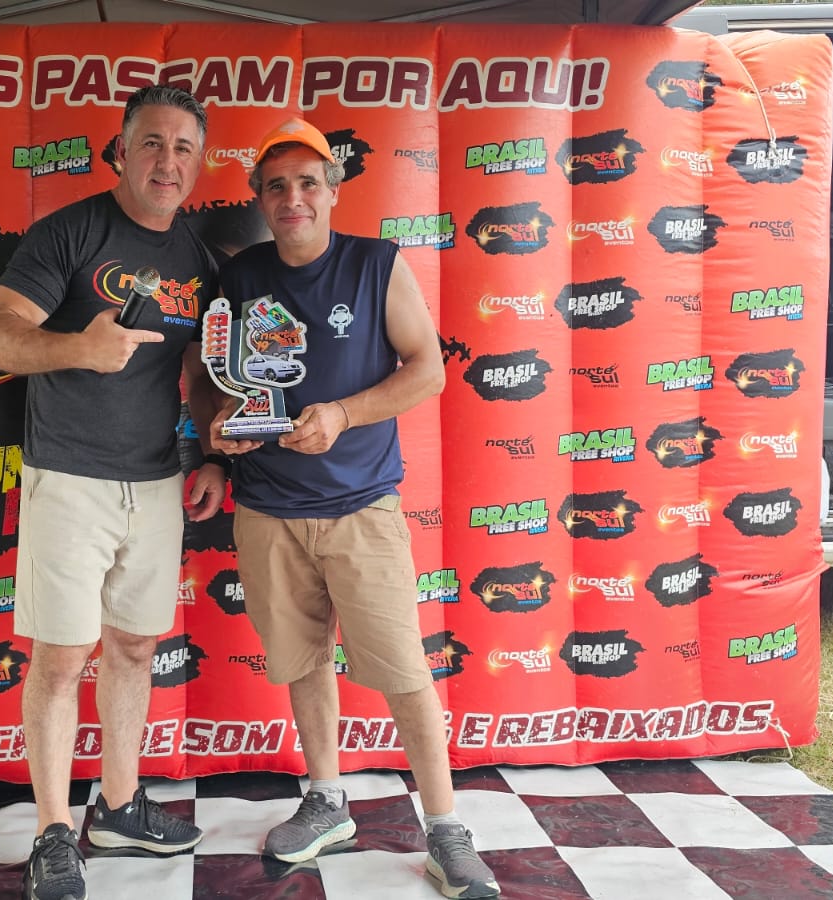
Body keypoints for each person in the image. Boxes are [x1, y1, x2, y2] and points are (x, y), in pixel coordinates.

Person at [199, 118, 501, 899]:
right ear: (260, 198)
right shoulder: (241, 277)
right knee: (301, 662)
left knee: (403, 672)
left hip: (360, 508)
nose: (292, 197)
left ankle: (445, 829)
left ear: (333, 190)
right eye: (276, 185)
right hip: (266, 508)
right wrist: (217, 438)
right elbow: (215, 379)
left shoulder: (376, 263)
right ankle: (327, 800)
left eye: (308, 182)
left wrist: (341, 414)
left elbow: (428, 370)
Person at [0, 84, 229, 900]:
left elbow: (196, 375)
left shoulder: (198, 260)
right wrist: (77, 348)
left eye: (183, 148)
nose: (167, 161)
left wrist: (210, 456)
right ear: (121, 150)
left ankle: (118, 807)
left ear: (199, 163)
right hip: (69, 477)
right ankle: (53, 832)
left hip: (155, 482)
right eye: (152, 143)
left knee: (135, 648)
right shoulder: (71, 231)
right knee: (59, 658)